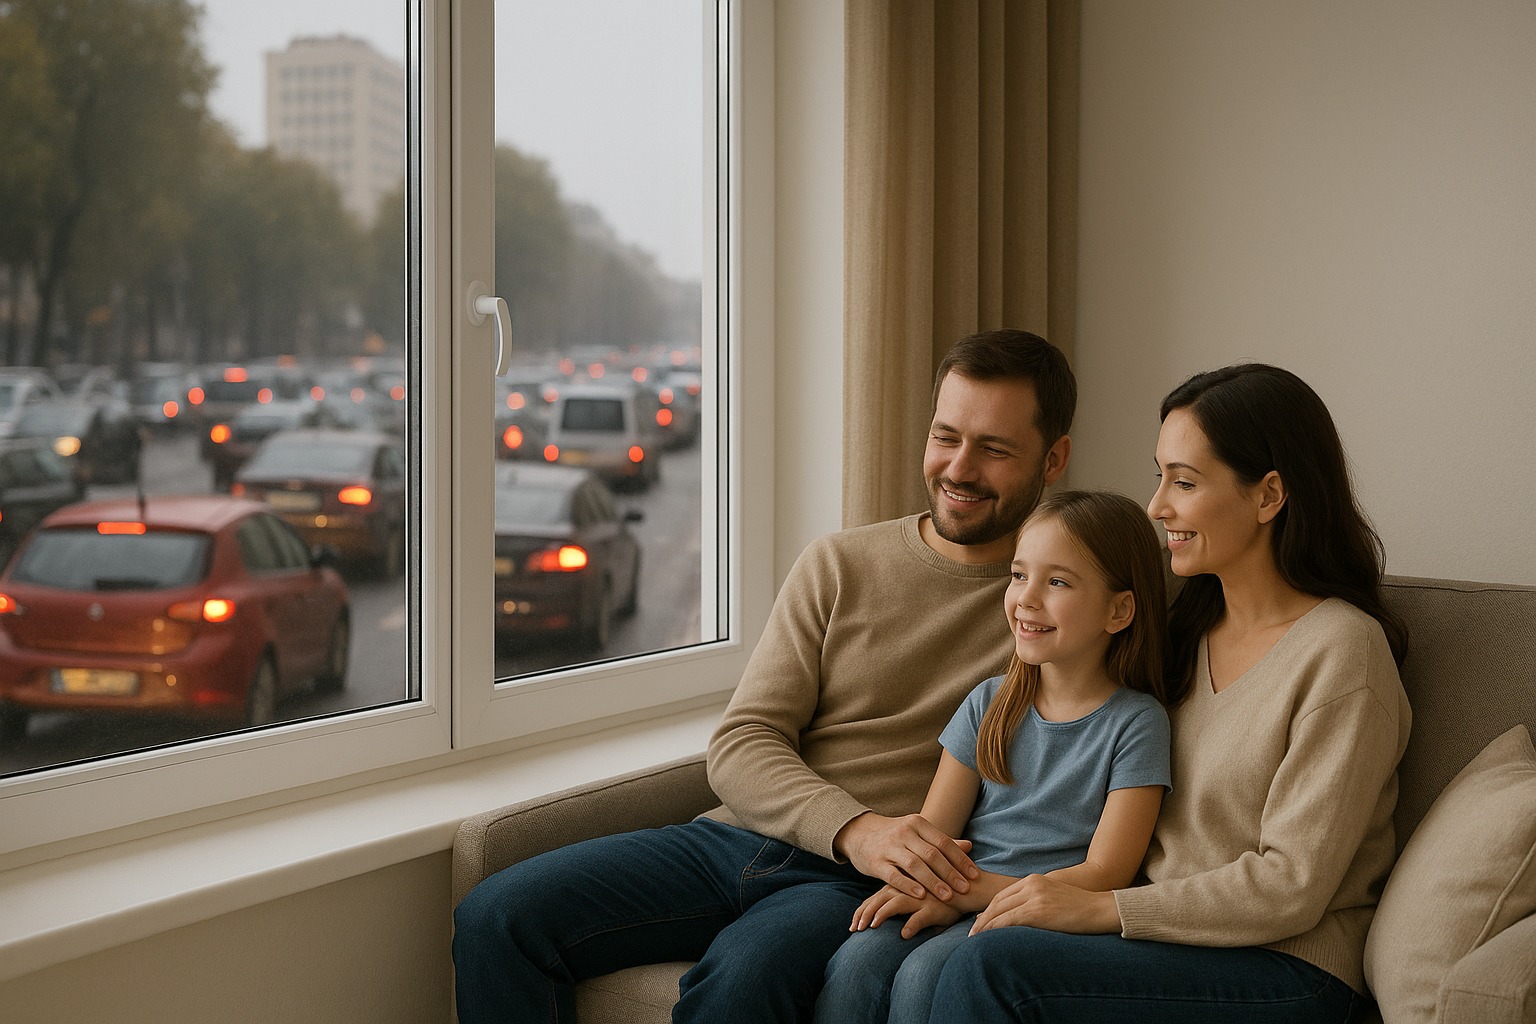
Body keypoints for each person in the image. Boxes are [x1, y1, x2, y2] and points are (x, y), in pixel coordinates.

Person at [451, 328, 1076, 1023]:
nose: (958, 468)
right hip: (737, 838)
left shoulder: (1062, 605)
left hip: (853, 886)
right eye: (945, 436)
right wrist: (856, 827)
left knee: (742, 981)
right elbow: (744, 740)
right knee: (496, 915)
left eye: (993, 449)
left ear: (1053, 460)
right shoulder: (839, 564)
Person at [926, 362, 1412, 1024]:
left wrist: (1101, 908)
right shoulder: (1185, 627)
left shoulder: (1344, 653)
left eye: (1183, 481)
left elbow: (1290, 887)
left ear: (1269, 495)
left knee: (993, 967)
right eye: (1160, 477)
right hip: (1162, 938)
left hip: (1285, 966)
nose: (1157, 506)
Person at [812, 489, 1172, 1024]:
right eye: (1019, 574)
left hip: (1038, 914)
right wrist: (936, 888)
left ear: (1119, 610)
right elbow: (933, 832)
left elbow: (1108, 871)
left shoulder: (1138, 723)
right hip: (960, 889)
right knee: (856, 964)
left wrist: (972, 894)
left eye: (1057, 581)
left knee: (924, 976)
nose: (1027, 598)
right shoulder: (989, 702)